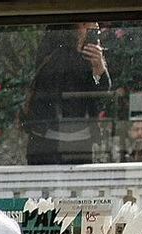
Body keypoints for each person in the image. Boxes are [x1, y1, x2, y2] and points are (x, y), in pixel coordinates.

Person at [23, 23, 111, 166]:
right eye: (86, 25)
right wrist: (78, 52)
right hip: (47, 137)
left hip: (80, 138)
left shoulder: (93, 56)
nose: (93, 29)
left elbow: (99, 93)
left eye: (95, 27)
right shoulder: (54, 52)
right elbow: (54, 83)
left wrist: (99, 69)